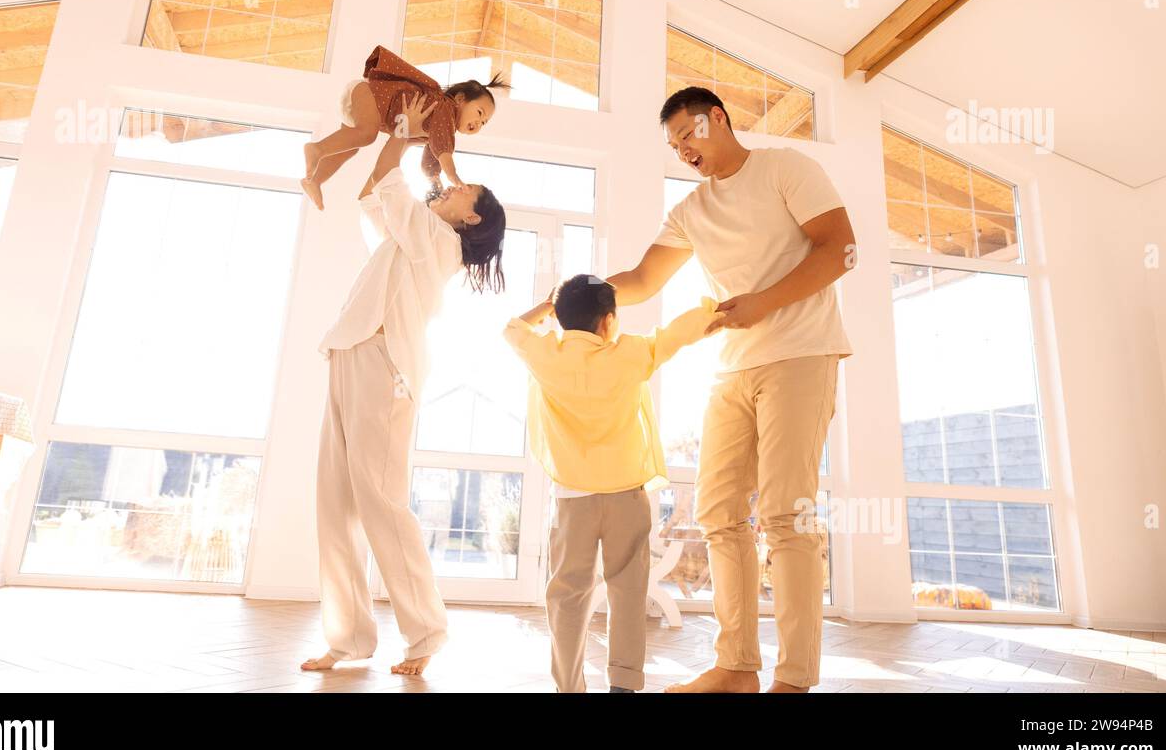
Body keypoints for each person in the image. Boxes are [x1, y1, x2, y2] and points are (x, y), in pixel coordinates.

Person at [605, 86, 854, 694]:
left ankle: (794, 680)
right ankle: (737, 665)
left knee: (785, 514)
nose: (683, 150)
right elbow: (641, 278)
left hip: (801, 353)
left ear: (717, 117)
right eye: (673, 146)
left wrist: (762, 303)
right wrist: (575, 293)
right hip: (732, 367)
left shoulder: (785, 169)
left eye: (689, 134)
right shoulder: (690, 210)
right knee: (718, 512)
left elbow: (841, 249)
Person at [301, 91, 507, 677]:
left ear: (470, 219)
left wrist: (404, 131)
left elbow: (388, 181)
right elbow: (373, 192)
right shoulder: (412, 234)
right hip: (350, 351)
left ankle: (426, 631)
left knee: (381, 504)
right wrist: (403, 135)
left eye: (463, 191)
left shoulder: (437, 242)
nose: (451, 186)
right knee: (336, 503)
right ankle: (347, 639)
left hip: (385, 366)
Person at [503, 273, 717, 692]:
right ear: (607, 321)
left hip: (572, 501)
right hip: (626, 497)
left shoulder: (545, 355)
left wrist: (549, 305)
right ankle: (623, 682)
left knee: (567, 595)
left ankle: (569, 685)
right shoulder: (630, 355)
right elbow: (675, 335)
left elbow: (512, 328)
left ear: (561, 317)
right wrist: (712, 312)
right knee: (628, 590)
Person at [300, 44, 508, 210]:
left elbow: (432, 154)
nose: (478, 123)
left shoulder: (437, 128)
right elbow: (443, 149)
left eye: (483, 123)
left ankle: (315, 180)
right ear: (460, 99)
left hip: (362, 106)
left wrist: (432, 176)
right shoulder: (445, 108)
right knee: (367, 134)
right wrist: (452, 175)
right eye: (479, 113)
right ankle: (316, 149)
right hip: (367, 95)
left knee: (350, 147)